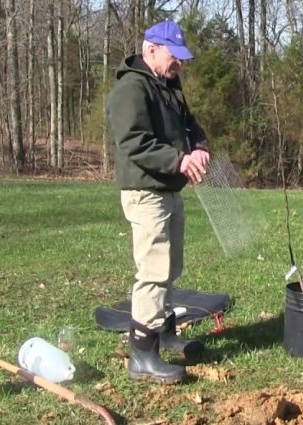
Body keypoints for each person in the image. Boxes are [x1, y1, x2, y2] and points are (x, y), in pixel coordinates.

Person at [106, 19, 211, 384]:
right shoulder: (131, 90)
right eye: (174, 56)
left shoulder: (168, 85)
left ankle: (165, 334)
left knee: (170, 267)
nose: (179, 64)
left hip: (169, 189)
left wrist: (198, 146)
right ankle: (142, 355)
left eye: (182, 58)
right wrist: (179, 160)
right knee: (152, 271)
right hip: (146, 191)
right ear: (150, 49)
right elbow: (134, 143)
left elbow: (189, 123)